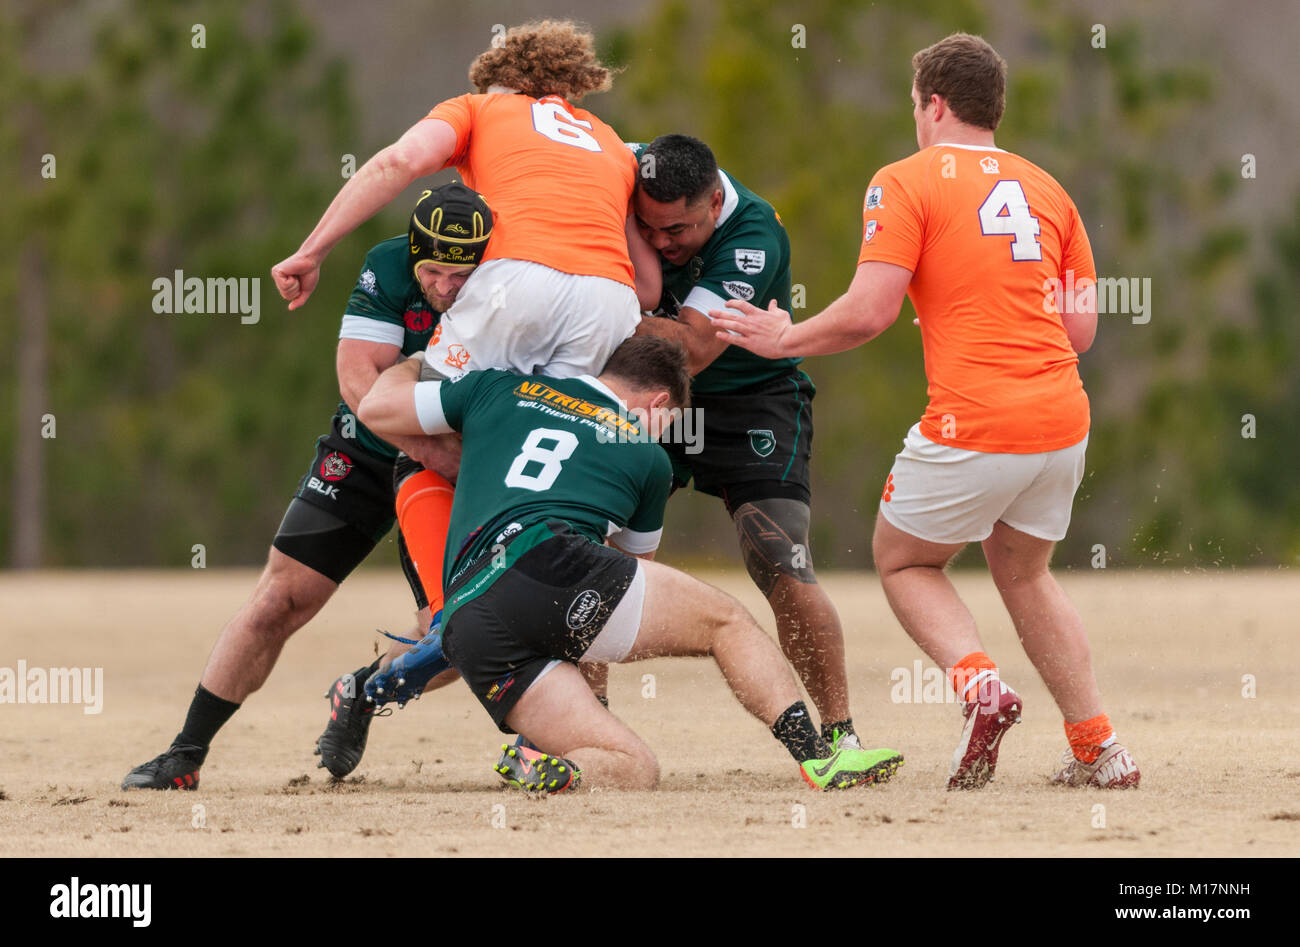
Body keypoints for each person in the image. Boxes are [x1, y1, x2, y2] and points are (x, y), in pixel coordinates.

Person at [711, 33, 1140, 790]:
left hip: (978, 418)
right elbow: (1079, 330)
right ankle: (1099, 746)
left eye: (916, 105)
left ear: (934, 105)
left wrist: (784, 338)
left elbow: (869, 312)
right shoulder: (1048, 188)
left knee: (905, 559)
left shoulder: (904, 180)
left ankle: (981, 688)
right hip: (1062, 421)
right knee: (1026, 573)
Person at [271, 21, 662, 731]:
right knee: (565, 507)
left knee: (408, 405)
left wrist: (312, 248)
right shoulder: (608, 141)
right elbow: (650, 282)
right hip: (609, 299)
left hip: (517, 284)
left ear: (501, 79)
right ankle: (576, 716)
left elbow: (395, 164)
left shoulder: (479, 108)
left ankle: (441, 623)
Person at [355, 335, 905, 791]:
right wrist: (596, 689)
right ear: (659, 405)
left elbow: (379, 406)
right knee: (727, 622)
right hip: (548, 560)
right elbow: (622, 576)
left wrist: (416, 357)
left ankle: (544, 765)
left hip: (466, 621)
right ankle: (819, 756)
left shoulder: (499, 387)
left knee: (632, 768)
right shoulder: (646, 457)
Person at [121, 183, 489, 790]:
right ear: (414, 253)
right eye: (436, 272)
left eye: (463, 275)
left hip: (454, 466)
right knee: (278, 600)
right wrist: (431, 451)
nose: (450, 287)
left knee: (452, 633)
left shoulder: (511, 277)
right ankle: (184, 753)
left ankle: (364, 691)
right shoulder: (386, 265)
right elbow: (358, 380)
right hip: (375, 449)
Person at [630, 135, 860, 753]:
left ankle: (840, 734)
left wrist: (584, 307)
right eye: (646, 228)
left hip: (749, 400)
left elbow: (694, 349)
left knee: (783, 558)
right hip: (648, 397)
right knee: (587, 548)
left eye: (675, 229)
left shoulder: (754, 235)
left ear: (712, 200)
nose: (658, 243)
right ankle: (583, 725)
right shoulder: (617, 163)